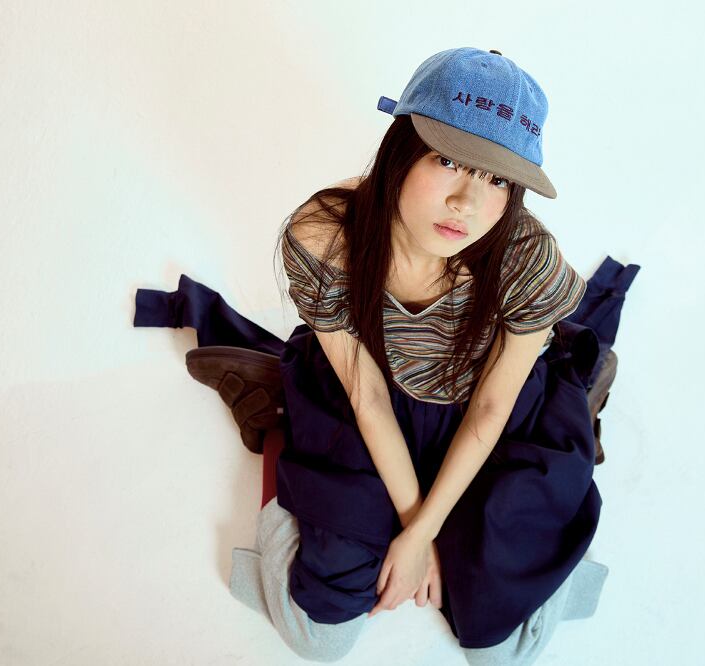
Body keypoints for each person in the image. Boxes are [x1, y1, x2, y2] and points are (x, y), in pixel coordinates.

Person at [228, 46, 616, 664]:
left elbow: (490, 410)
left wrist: (425, 534)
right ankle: (279, 436)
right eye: (448, 160)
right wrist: (415, 530)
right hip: (369, 398)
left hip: (488, 412)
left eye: (497, 178)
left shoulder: (526, 260)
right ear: (401, 149)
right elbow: (367, 397)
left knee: (499, 648)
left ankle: (572, 406)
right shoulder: (326, 237)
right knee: (320, 635)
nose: (467, 202)